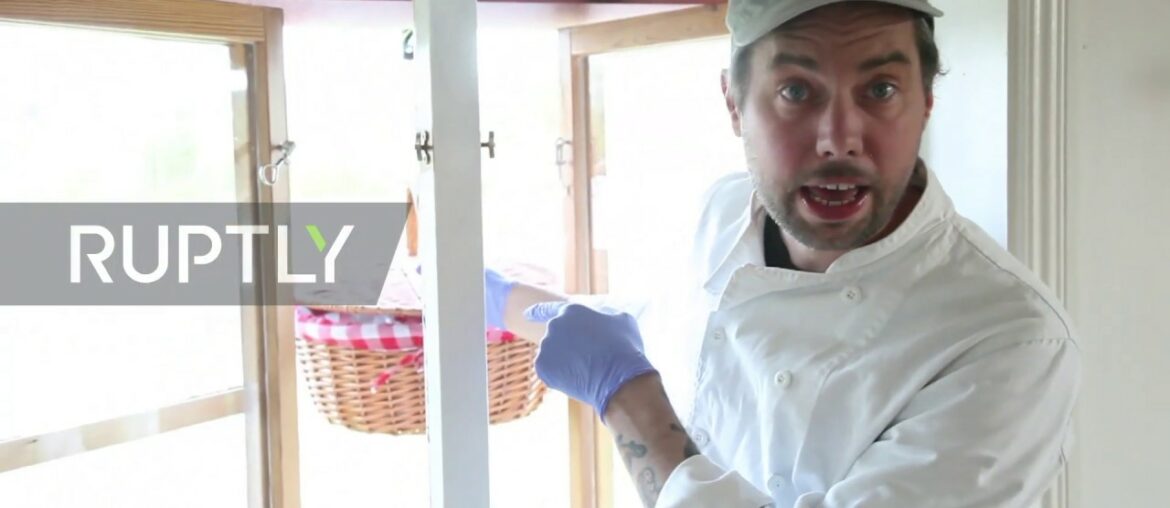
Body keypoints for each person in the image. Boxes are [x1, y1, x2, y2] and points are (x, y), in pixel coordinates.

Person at [487, 1, 1081, 506]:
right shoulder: (725, 211)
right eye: (796, 91)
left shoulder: (1008, 339)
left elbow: (629, 372)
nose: (839, 138)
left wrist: (628, 400)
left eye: (881, 90)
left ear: (926, 102)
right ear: (733, 104)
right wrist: (491, 297)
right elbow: (672, 323)